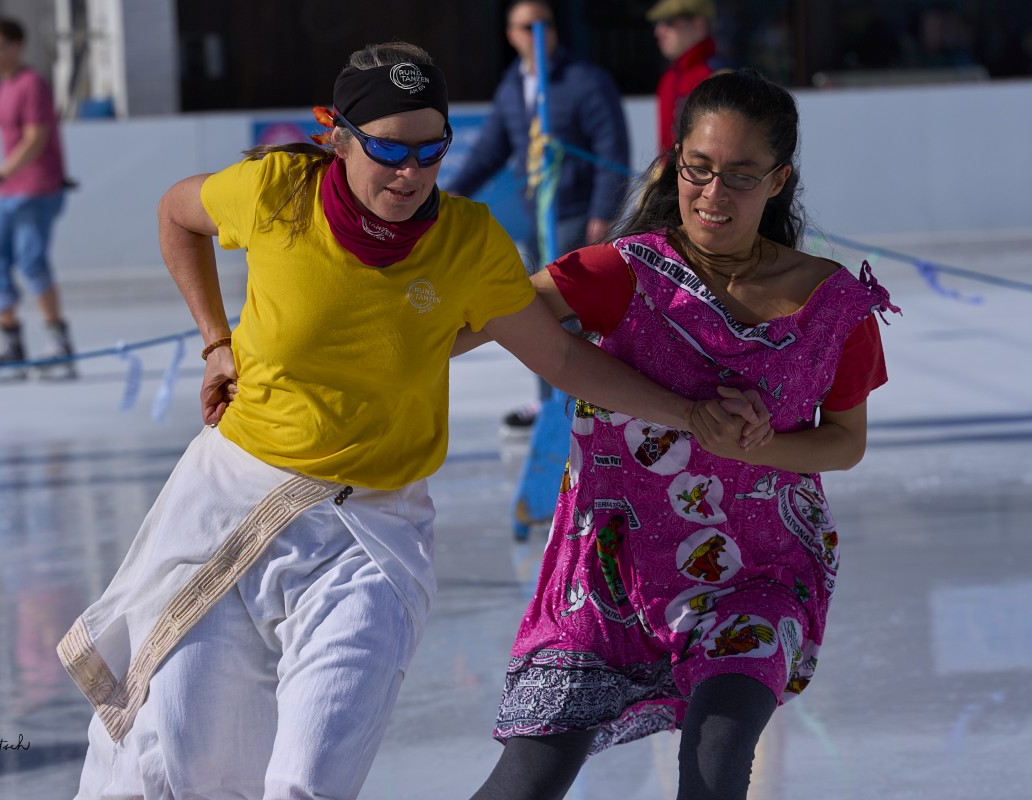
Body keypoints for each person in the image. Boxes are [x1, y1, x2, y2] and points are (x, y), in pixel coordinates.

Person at [60, 42, 768, 800]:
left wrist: (689, 413)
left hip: (371, 536)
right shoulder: (275, 192)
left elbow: (561, 359)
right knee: (184, 768)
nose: (411, 173)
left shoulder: (467, 243)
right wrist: (215, 343)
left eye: (432, 152)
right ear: (338, 137)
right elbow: (177, 214)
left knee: (307, 781)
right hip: (235, 507)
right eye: (390, 151)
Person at [468, 69, 899, 800]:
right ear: (673, 164)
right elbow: (481, 318)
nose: (713, 193)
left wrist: (757, 447)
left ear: (778, 180)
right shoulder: (622, 274)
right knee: (527, 780)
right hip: (609, 580)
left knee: (715, 763)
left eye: (740, 176)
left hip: (758, 578)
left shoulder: (832, 306)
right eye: (698, 168)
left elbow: (845, 441)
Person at [448, 0, 630, 428]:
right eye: (526, 26)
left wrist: (602, 211)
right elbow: (491, 149)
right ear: (510, 35)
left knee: (574, 314)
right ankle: (550, 400)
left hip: (576, 215)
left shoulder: (584, 80)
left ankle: (587, 400)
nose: (536, 34)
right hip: (538, 217)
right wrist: (452, 194)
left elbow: (611, 148)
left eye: (544, 24)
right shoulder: (514, 85)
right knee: (537, 314)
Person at [0, 16, 75, 379]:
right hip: (9, 189)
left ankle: (58, 342)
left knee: (31, 261)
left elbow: (35, 139)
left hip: (37, 187)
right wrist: (1, 181)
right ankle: (10, 341)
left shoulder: (32, 83)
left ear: (17, 47)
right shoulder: (4, 87)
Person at [649, 0, 728, 155]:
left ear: (699, 25)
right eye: (657, 24)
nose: (658, 31)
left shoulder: (719, 77)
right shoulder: (668, 78)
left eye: (669, 22)